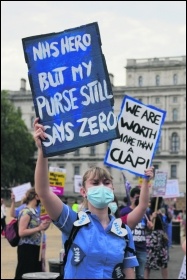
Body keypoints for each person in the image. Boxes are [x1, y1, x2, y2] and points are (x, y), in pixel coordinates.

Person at [33, 117, 139, 279]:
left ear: (113, 188)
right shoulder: (73, 223)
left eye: (106, 182)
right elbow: (43, 191)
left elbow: (129, 273)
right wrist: (43, 151)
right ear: (83, 191)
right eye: (95, 183)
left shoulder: (124, 232)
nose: (102, 186)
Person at [14, 187, 50, 279]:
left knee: (35, 274)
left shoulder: (35, 212)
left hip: (36, 247)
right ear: (36, 196)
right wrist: (39, 228)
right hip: (27, 248)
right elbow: (21, 232)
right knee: (25, 273)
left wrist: (45, 225)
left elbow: (40, 229)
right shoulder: (26, 212)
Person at [119, 186, 153, 279]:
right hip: (129, 248)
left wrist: (150, 227)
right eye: (137, 197)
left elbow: (148, 230)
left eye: (140, 197)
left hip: (141, 247)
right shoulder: (124, 211)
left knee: (140, 275)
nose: (139, 199)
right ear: (131, 198)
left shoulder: (145, 213)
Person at [144, 197, 168, 279]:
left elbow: (165, 223)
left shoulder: (160, 213)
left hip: (161, 239)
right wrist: (152, 217)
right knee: (148, 262)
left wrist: (161, 215)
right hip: (152, 238)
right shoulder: (148, 212)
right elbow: (147, 225)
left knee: (164, 261)